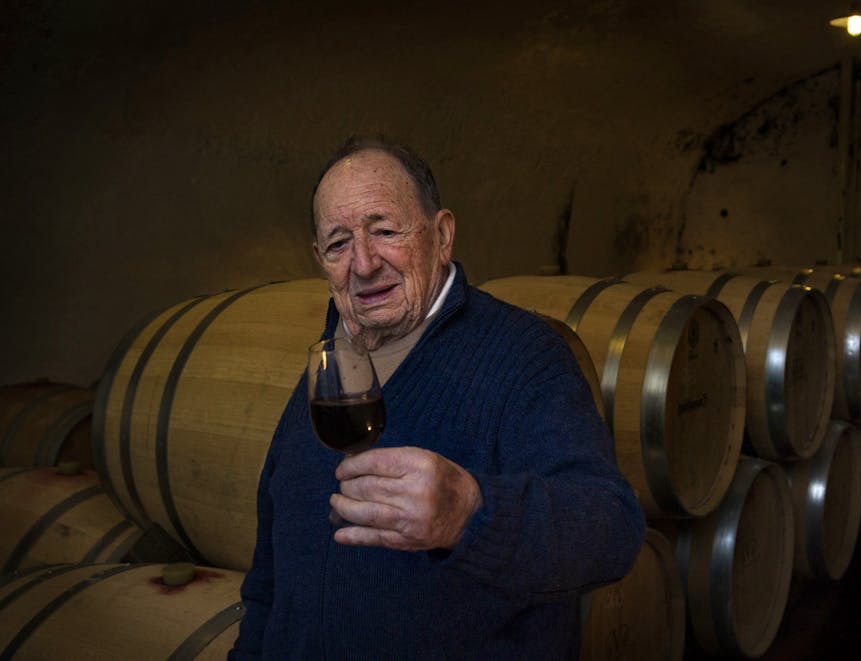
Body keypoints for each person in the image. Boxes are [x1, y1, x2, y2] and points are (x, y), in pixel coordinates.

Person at [229, 137, 645, 659]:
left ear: (442, 235)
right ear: (320, 259)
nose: (362, 263)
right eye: (338, 243)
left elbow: (612, 529)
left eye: (384, 231)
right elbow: (270, 575)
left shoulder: (523, 355)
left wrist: (472, 514)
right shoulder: (329, 369)